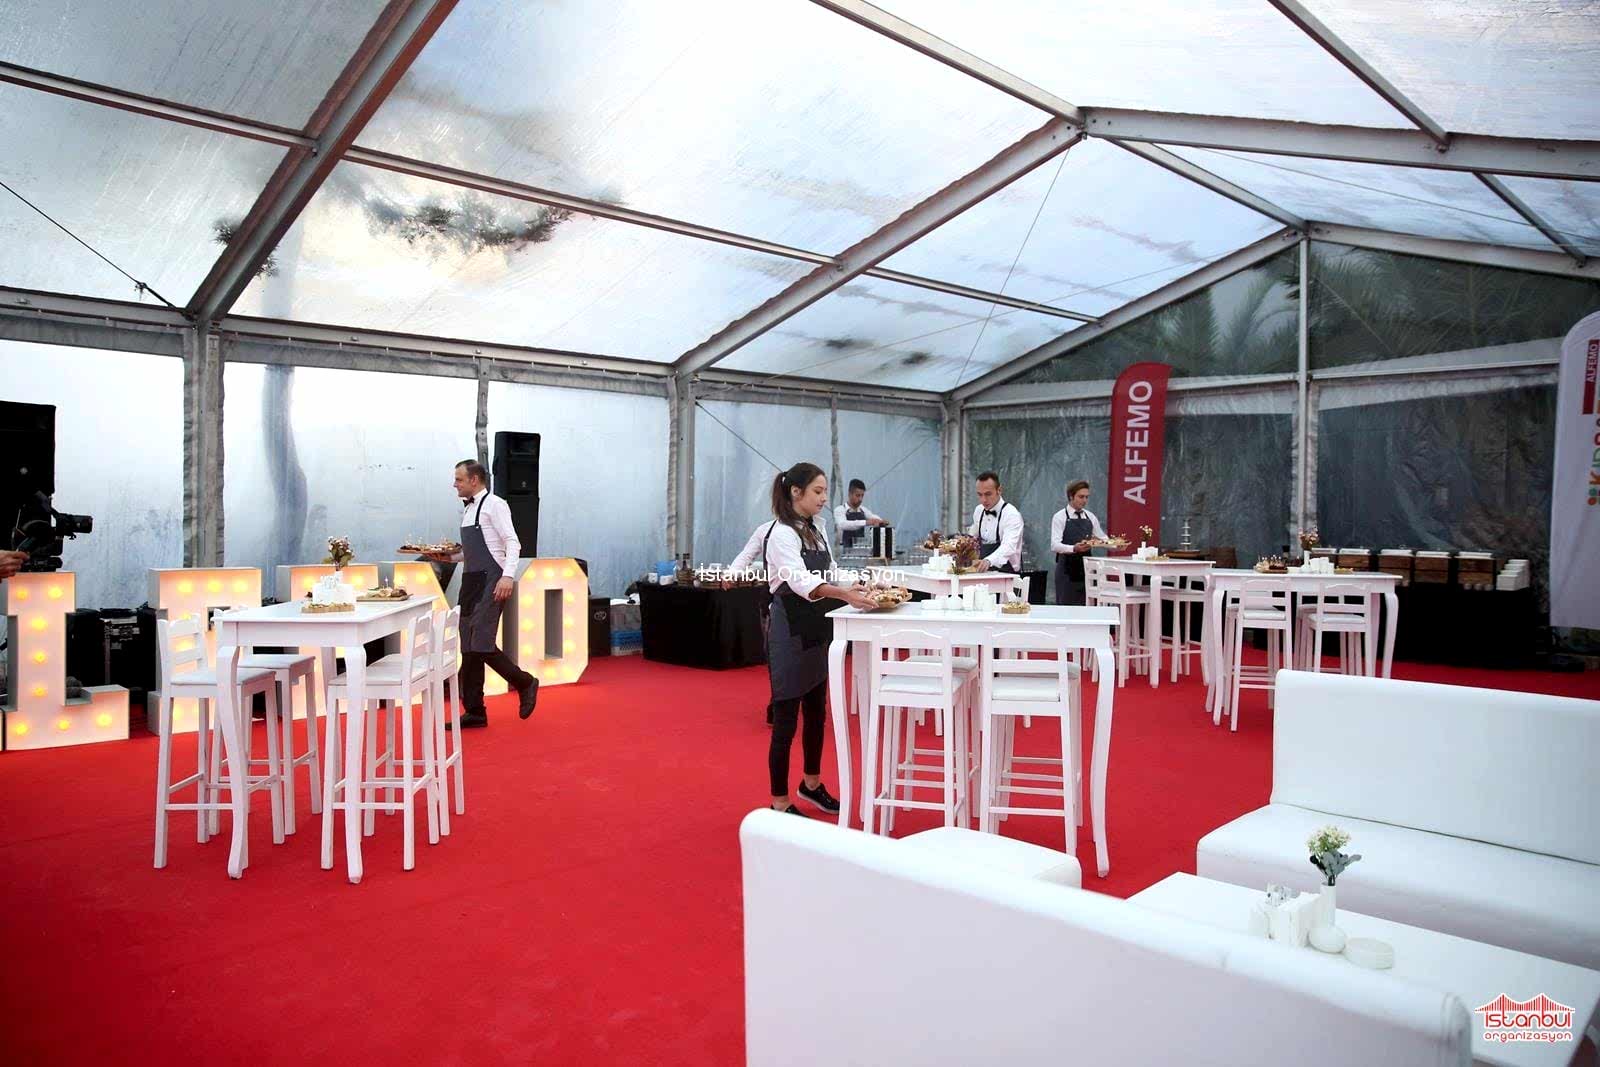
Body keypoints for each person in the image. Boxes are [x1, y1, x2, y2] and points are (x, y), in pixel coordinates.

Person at [762, 462, 877, 816]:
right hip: (788, 629)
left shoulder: (818, 528)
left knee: (816, 713)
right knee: (785, 722)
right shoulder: (781, 534)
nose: (824, 498)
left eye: (825, 491)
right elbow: (800, 581)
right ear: (796, 492)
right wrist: (844, 594)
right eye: (818, 491)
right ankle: (780, 802)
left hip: (817, 627)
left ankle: (810, 785)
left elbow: (830, 570)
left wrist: (858, 583)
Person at [425, 460, 538, 728]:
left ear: (474, 480)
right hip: (471, 581)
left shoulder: (495, 505)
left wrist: (507, 576)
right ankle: (475, 711)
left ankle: (524, 682)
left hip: (492, 580)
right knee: (467, 645)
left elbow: (512, 542)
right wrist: (447, 557)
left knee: (482, 643)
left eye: (459, 479)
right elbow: (472, 551)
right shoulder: (468, 510)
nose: (455, 484)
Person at [1050, 480, 1108, 605]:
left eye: (1087, 497)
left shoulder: (1090, 516)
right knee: (1065, 608)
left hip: (1086, 570)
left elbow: (1102, 538)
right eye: (1081, 497)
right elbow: (1054, 545)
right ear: (1071, 496)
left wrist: (1116, 544)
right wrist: (1074, 548)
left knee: (1086, 606)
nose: (1085, 500)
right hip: (1066, 570)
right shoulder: (1059, 517)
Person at [967, 471, 1024, 573]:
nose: (983, 500)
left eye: (988, 494)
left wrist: (989, 560)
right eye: (980, 495)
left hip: (1007, 575)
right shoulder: (979, 511)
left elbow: (1008, 546)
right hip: (984, 573)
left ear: (999, 490)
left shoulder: (1011, 515)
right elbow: (974, 535)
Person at [833, 478, 887, 553]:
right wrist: (865, 522)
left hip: (860, 550)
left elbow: (872, 516)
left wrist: (880, 521)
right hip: (844, 551)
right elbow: (843, 524)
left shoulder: (863, 510)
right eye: (858, 495)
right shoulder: (840, 510)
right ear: (849, 494)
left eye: (862, 496)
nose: (860, 499)